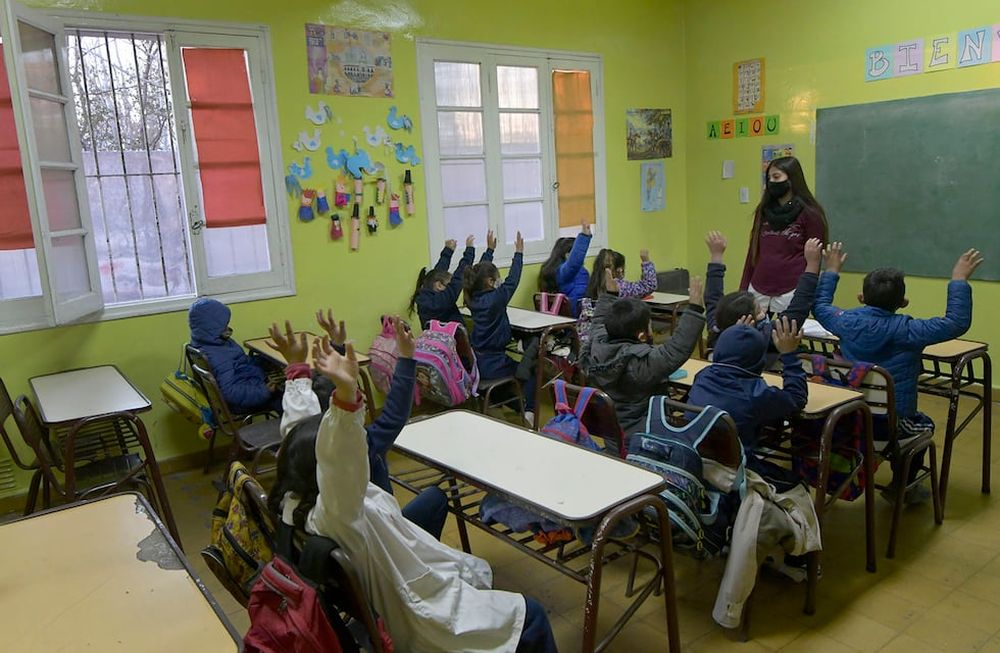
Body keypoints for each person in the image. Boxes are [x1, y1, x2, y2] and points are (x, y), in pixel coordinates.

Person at [270, 335, 557, 652]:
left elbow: (297, 433)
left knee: (434, 502)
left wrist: (298, 372)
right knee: (531, 616)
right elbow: (338, 458)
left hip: (387, 560)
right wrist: (346, 397)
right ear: (325, 467)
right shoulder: (336, 509)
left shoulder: (295, 495)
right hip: (417, 610)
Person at [813, 243, 981, 503]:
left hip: (846, 416)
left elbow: (821, 305)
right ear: (903, 303)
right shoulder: (909, 331)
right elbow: (956, 322)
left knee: (892, 423)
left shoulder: (844, 321)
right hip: (890, 424)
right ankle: (903, 488)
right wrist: (959, 279)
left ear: (861, 297)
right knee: (922, 426)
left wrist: (832, 270)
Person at [267, 315, 448, 540]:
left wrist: (302, 364)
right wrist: (407, 357)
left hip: (354, 547)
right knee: (436, 497)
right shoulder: (356, 455)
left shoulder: (297, 452)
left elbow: (298, 416)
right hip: (384, 538)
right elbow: (394, 414)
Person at [583, 268, 705, 437]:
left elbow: (598, 323)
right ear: (641, 336)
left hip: (610, 434)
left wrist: (610, 295)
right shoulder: (640, 364)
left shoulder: (594, 346)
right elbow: (675, 351)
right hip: (641, 439)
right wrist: (695, 310)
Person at [687, 316, 808, 452]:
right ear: (759, 358)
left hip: (692, 456)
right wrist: (789, 354)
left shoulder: (703, 375)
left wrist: (734, 335)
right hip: (733, 467)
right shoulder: (757, 393)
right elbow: (797, 399)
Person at [706, 230, 823, 359]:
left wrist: (716, 256)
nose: (763, 310)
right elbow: (799, 308)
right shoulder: (766, 336)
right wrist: (812, 265)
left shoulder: (717, 329)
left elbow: (713, 297)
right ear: (748, 322)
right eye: (759, 311)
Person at [739, 156, 828, 314]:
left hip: (791, 288)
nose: (772, 182)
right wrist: (743, 289)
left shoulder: (810, 213)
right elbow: (753, 252)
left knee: (784, 334)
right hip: (759, 286)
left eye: (776, 177)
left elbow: (815, 259)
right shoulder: (763, 211)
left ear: (792, 178)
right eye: (769, 178)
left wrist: (806, 293)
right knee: (753, 335)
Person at [464, 231, 537, 423]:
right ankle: (529, 413)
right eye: (497, 278)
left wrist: (489, 251)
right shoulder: (496, 299)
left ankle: (501, 404)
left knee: (516, 366)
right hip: (494, 363)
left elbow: (477, 273)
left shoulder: (472, 299)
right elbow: (513, 280)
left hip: (479, 363)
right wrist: (519, 253)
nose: (500, 280)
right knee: (533, 372)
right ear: (490, 282)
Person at [188, 297, 278, 414]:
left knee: (280, 376)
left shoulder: (211, 343)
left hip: (248, 382)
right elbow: (230, 392)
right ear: (212, 328)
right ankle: (293, 430)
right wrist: (264, 391)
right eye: (223, 325)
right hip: (242, 400)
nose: (227, 328)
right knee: (287, 395)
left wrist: (264, 361)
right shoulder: (217, 356)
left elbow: (240, 363)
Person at [410, 231, 498, 328]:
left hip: (435, 342)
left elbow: (437, 273)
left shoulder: (424, 296)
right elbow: (460, 275)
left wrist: (448, 251)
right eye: (449, 284)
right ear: (439, 285)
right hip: (454, 342)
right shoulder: (442, 301)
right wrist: (470, 250)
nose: (451, 286)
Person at [578, 248, 657, 348]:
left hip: (589, 340)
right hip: (614, 340)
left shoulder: (591, 284)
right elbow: (649, 285)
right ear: (619, 269)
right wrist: (646, 261)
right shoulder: (621, 287)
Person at [538, 222, 593, 316]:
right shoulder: (567, 273)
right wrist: (584, 237)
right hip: (577, 318)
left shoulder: (551, 270)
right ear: (568, 255)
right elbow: (573, 264)